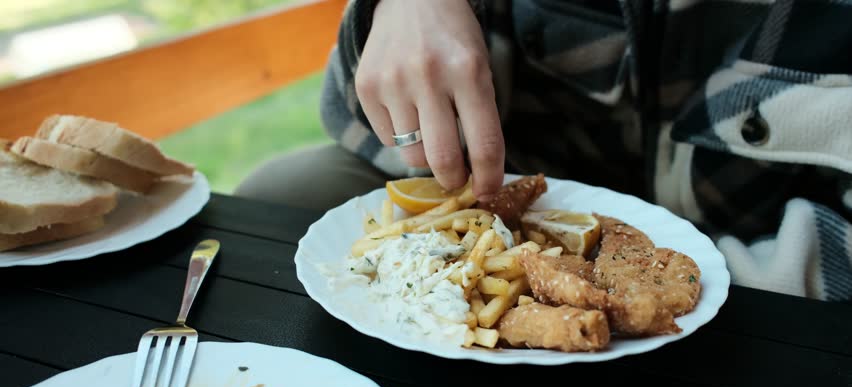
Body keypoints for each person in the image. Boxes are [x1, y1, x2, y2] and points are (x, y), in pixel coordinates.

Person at [236, 0, 852, 301]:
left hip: (763, 267)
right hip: (508, 201)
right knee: (279, 195)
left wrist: (673, 291)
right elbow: (356, 127)